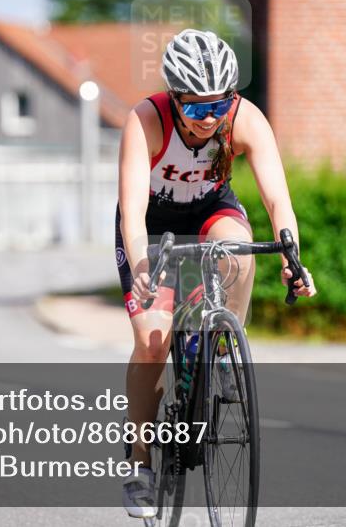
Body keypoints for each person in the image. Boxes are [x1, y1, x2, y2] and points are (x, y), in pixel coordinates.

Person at [116, 29, 316, 518]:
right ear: (174, 97)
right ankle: (139, 461)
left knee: (238, 252)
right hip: (153, 225)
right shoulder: (146, 120)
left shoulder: (244, 118)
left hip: (211, 210)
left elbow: (278, 200)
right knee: (152, 340)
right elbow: (132, 212)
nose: (209, 117)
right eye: (196, 107)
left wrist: (292, 258)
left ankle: (222, 346)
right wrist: (141, 265)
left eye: (219, 105)